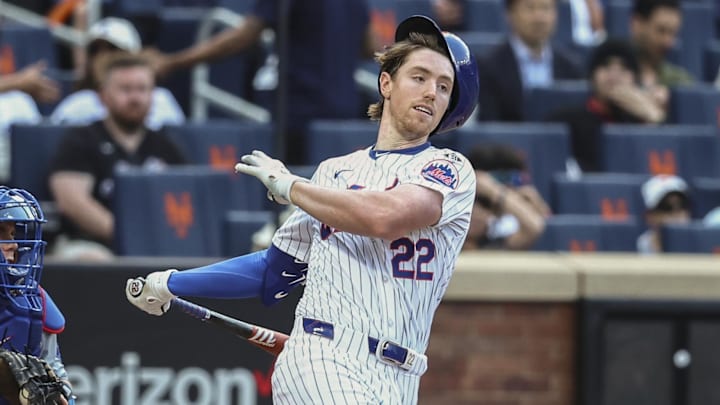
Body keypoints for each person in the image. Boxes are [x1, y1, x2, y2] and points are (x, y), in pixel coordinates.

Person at [126, 15, 479, 403]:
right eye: (419, 77)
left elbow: (384, 217)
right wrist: (174, 282)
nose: (431, 92)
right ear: (386, 84)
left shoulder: (449, 169)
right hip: (322, 356)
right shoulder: (334, 173)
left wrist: (292, 187)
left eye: (444, 87)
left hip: (400, 377)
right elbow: (273, 273)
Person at [147, 0, 375, 164]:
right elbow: (369, 47)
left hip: (299, 114)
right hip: (343, 113)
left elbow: (243, 37)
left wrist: (173, 62)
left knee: (298, 202)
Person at [48, 52, 187, 261]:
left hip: (159, 245)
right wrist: (130, 236)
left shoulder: (167, 146)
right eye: (125, 89)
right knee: (93, 258)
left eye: (142, 89)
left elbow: (185, 198)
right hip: (89, 242)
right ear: (103, 95)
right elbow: (72, 201)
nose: (135, 98)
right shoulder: (81, 139)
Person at [0, 186, 73, 405]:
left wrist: (62, 398)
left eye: (12, 234)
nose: (12, 244)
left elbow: (56, 371)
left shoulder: (32, 298)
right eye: (1, 232)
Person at [547, 38, 665, 173]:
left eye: (624, 68)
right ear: (592, 75)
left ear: (635, 79)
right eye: (606, 66)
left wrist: (653, 117)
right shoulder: (566, 120)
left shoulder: (642, 123)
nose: (614, 76)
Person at [50, 17, 185, 131]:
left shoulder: (162, 100)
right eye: (95, 51)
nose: (101, 58)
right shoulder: (77, 105)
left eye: (113, 50)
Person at [477, 0, 583, 122]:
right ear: (509, 14)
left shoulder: (571, 67)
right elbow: (490, 125)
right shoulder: (489, 66)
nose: (539, 17)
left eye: (546, 8)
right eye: (530, 8)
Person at [464, 143, 547, 250]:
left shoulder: (494, 243)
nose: (478, 214)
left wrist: (496, 193)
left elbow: (535, 228)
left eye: (486, 206)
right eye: (474, 203)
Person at [630, 0, 693, 110]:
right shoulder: (613, 75)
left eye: (673, 33)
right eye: (661, 30)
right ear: (637, 24)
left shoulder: (681, 81)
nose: (668, 42)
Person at [637, 174, 691, 254]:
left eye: (682, 205)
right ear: (650, 216)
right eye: (666, 207)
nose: (675, 214)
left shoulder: (701, 243)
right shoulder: (642, 246)